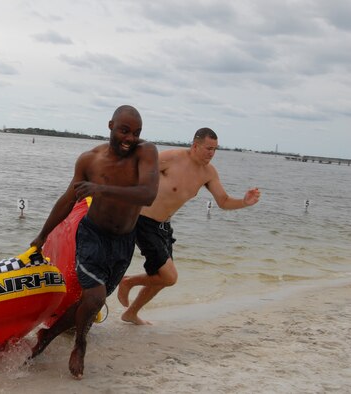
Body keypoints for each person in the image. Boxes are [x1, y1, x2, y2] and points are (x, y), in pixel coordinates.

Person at [28, 105, 159, 379]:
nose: (130, 138)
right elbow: (68, 199)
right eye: (124, 130)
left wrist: (100, 189)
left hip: (124, 240)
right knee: (95, 296)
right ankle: (80, 345)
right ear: (110, 125)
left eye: (136, 133)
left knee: (92, 303)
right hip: (93, 235)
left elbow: (147, 194)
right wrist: (42, 235)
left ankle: (48, 335)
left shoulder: (145, 153)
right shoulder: (89, 161)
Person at [117, 127, 261, 325]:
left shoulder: (208, 173)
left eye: (215, 149)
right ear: (195, 145)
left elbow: (224, 201)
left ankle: (131, 313)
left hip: (164, 227)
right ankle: (128, 281)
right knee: (169, 277)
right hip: (142, 221)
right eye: (208, 148)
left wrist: (244, 202)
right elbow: (133, 174)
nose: (212, 154)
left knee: (160, 278)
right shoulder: (171, 158)